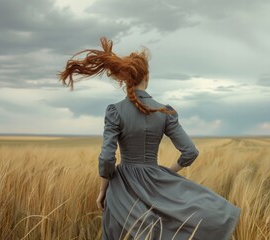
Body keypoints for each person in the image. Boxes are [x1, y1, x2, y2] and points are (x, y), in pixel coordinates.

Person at [58, 37, 240, 240]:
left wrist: (103, 191)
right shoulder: (164, 112)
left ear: (126, 78)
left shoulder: (115, 111)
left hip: (122, 190)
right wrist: (167, 173)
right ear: (147, 76)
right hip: (157, 180)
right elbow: (190, 151)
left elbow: (108, 158)